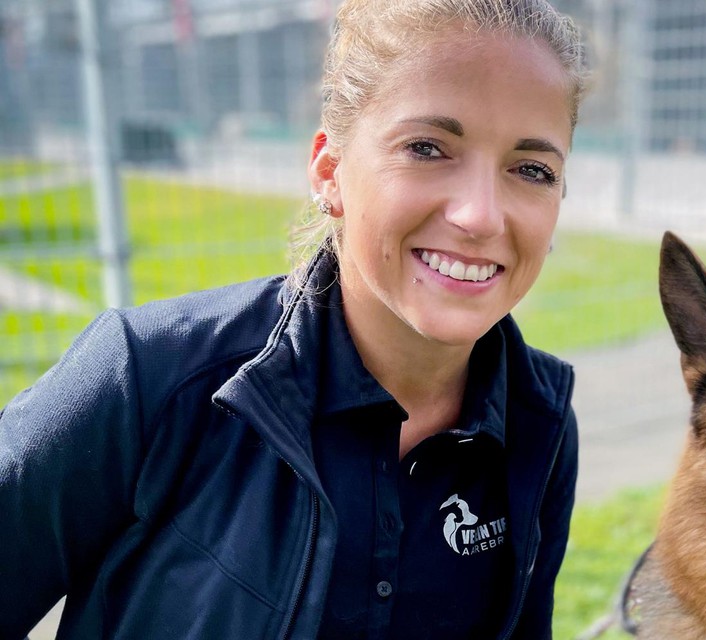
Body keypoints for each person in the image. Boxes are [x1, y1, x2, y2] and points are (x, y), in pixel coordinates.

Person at [0, 1, 587, 638]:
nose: (480, 215)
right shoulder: (144, 379)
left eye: (532, 170)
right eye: (427, 148)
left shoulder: (542, 423)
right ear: (329, 170)